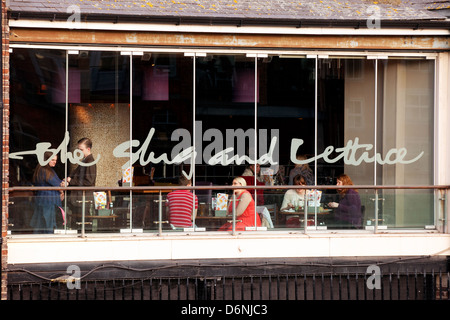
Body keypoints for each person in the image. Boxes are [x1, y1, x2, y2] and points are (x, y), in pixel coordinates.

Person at [62, 138, 97, 216]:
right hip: (80, 198)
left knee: (83, 222)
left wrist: (70, 180)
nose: (79, 152)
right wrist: (68, 180)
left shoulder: (90, 161)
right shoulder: (85, 161)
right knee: (79, 222)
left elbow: (89, 181)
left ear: (88, 149)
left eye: (81, 150)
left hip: (83, 199)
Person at [30, 152, 63, 233]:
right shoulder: (46, 171)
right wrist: (63, 187)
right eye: (52, 160)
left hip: (41, 201)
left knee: (40, 226)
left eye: (55, 160)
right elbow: (58, 184)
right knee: (48, 226)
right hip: (49, 202)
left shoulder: (40, 169)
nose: (54, 162)